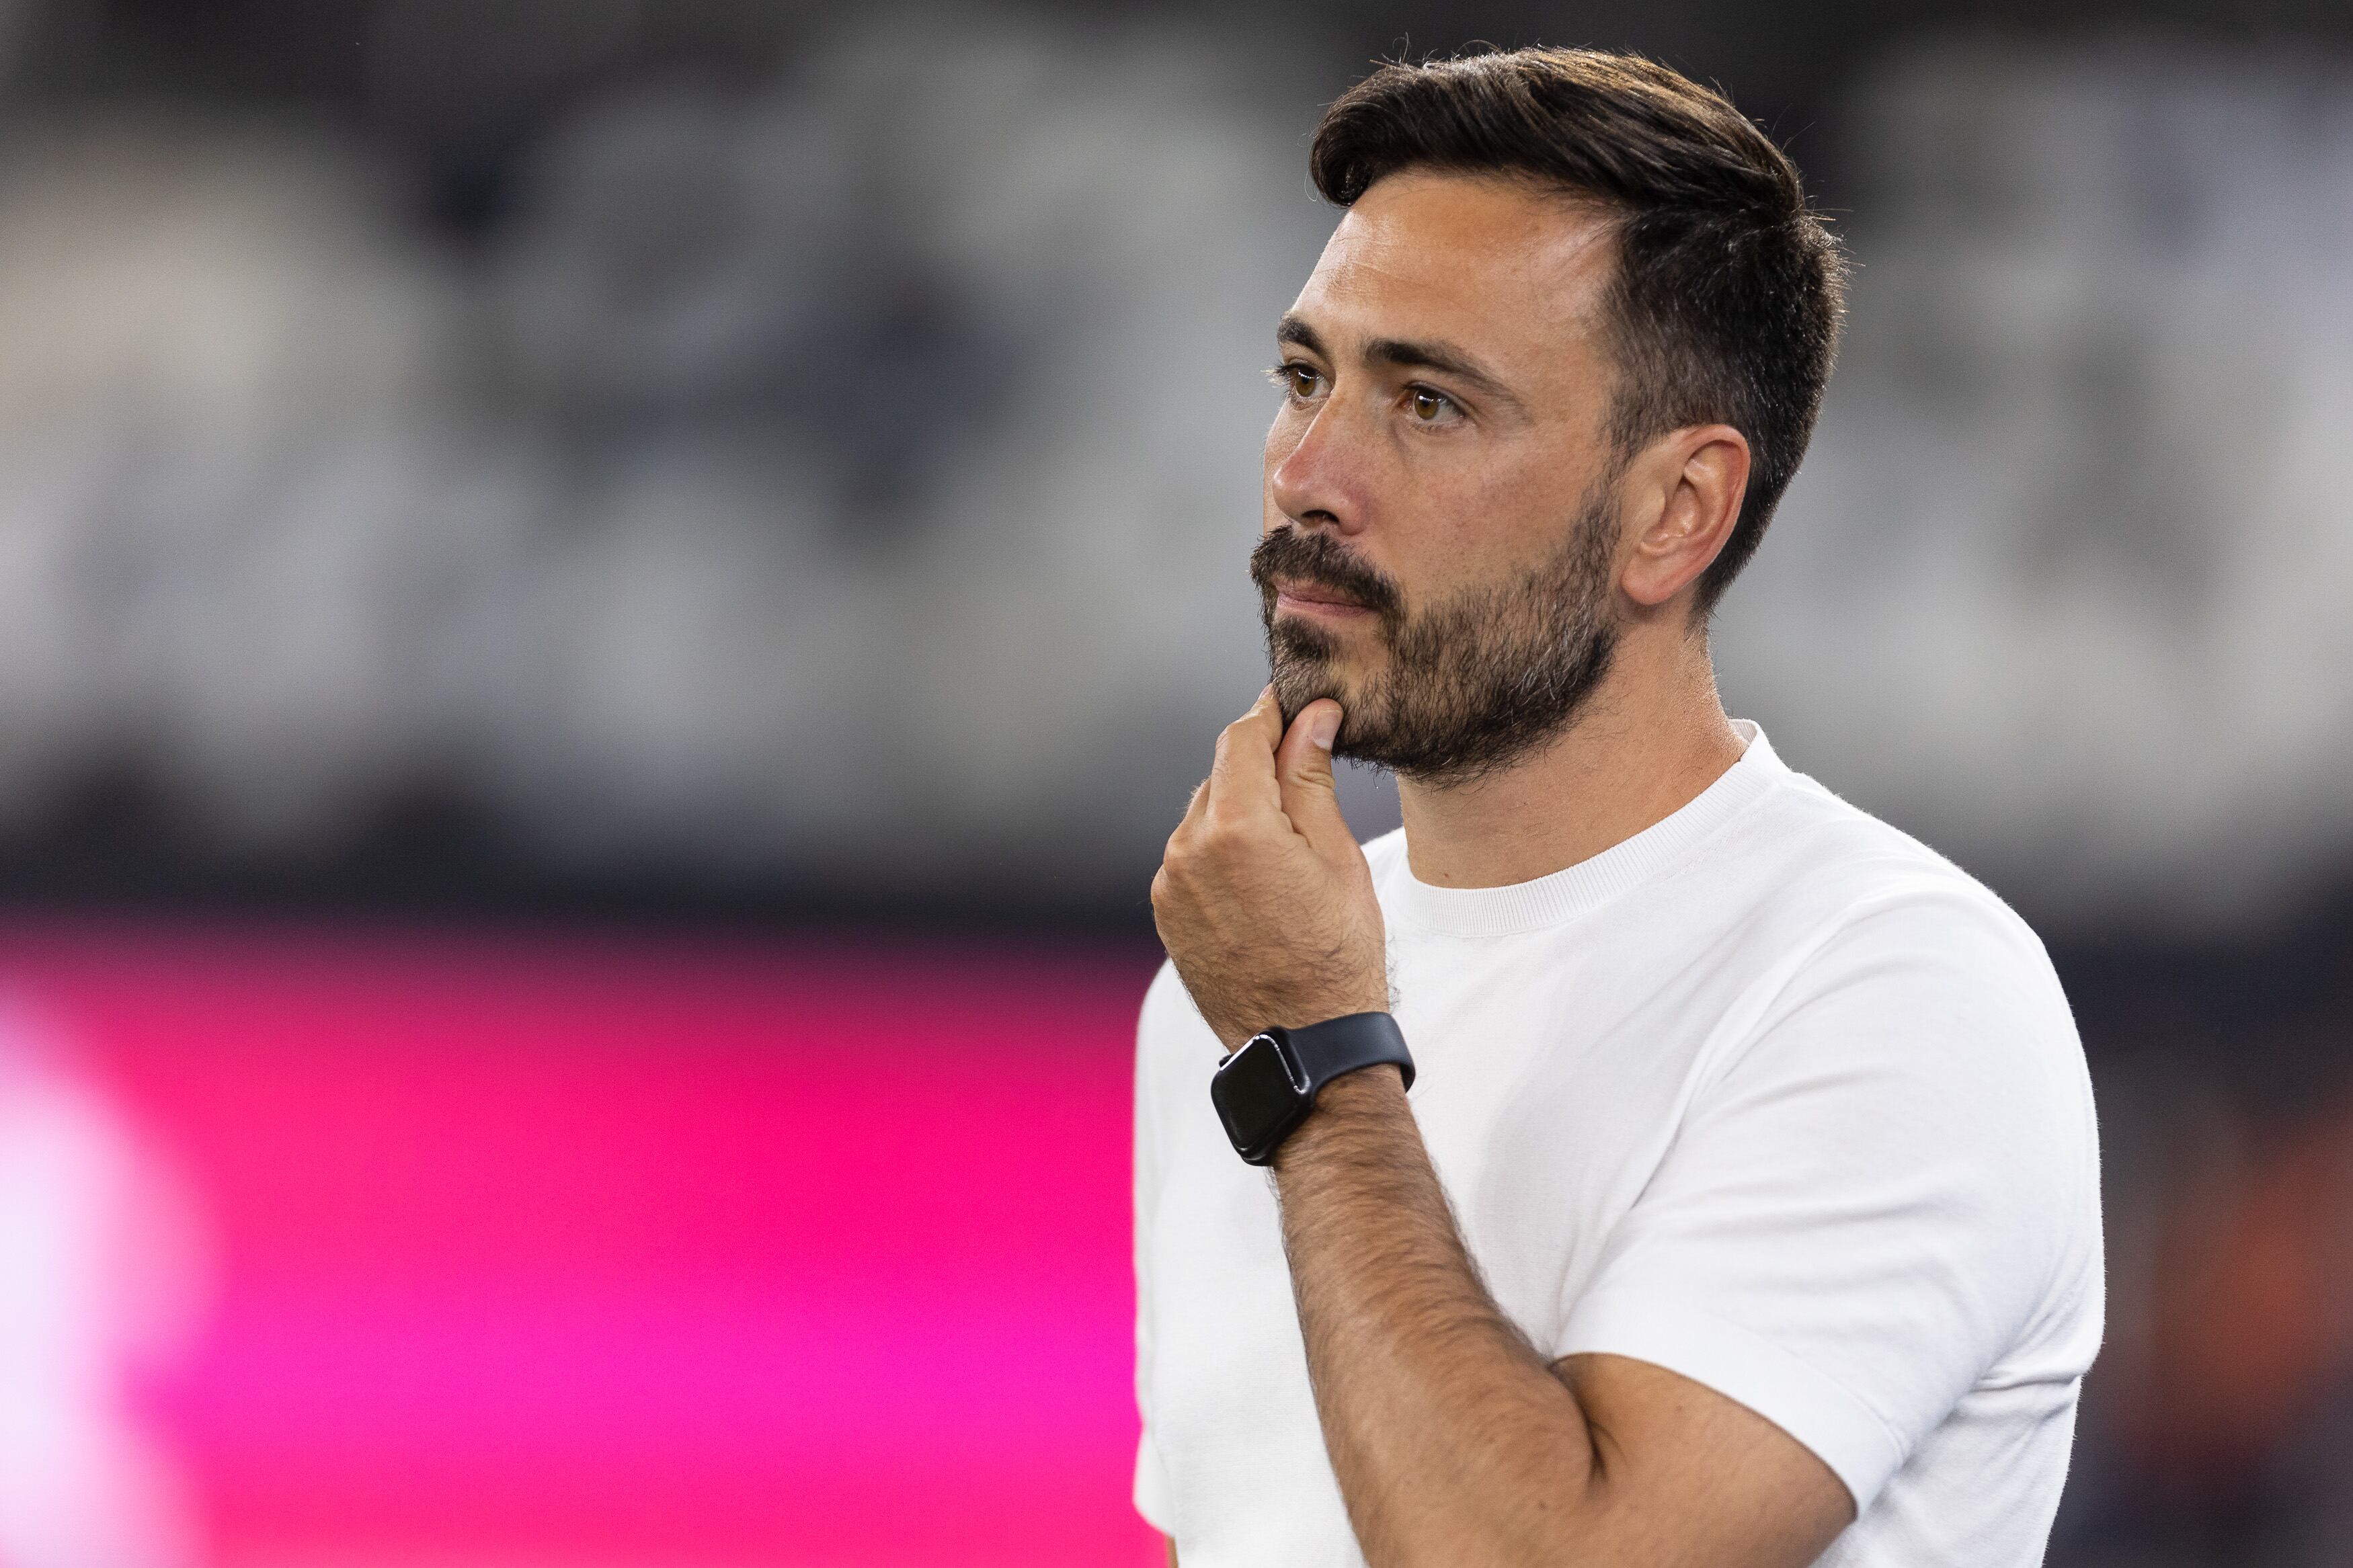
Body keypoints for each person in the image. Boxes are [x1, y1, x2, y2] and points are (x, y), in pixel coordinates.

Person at [1136, 46, 2103, 1568]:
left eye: (1430, 403)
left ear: (1675, 512)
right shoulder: (1226, 991)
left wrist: (1315, 1061)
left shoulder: (1895, 985)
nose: (1308, 475)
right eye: (1305, 378)